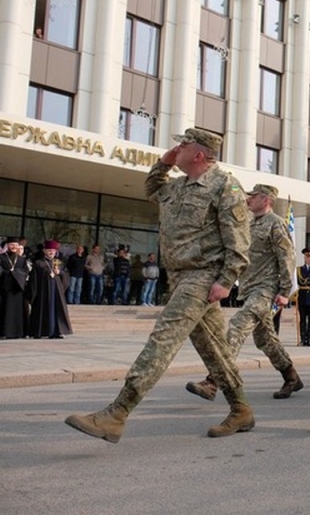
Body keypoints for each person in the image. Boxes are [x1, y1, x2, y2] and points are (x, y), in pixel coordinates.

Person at [65, 127, 253, 442]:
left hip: (203, 275)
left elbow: (239, 239)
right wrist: (164, 163)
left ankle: (117, 413)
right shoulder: (177, 186)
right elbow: (152, 187)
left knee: (163, 338)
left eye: (182, 145)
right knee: (214, 348)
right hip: (178, 276)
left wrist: (226, 279)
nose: (176, 147)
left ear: (199, 154)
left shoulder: (225, 185)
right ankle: (241, 409)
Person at [185, 183, 304, 401]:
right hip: (249, 289)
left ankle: (213, 382)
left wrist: (286, 290)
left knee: (237, 327)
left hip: (265, 290)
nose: (248, 199)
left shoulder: (275, 224)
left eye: (253, 196)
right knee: (265, 339)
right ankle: (291, 376)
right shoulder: (249, 225)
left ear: (266, 199)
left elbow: (287, 258)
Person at [28, 240, 72, 339]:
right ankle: (40, 332)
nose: (51, 252)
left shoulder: (59, 263)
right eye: (49, 250)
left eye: (53, 250)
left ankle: (56, 332)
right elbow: (33, 279)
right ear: (44, 251)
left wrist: (59, 272)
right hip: (42, 292)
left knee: (56, 310)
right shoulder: (38, 263)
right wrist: (33, 294)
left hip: (56, 291)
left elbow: (66, 275)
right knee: (42, 310)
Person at [0, 237, 30, 339]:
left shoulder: (22, 259)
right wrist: (9, 274)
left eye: (16, 245)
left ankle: (19, 332)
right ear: (7, 245)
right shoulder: (1, 257)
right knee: (5, 311)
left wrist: (16, 274)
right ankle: (4, 332)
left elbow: (25, 272)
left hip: (18, 289)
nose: (14, 247)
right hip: (5, 289)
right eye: (12, 245)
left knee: (19, 311)